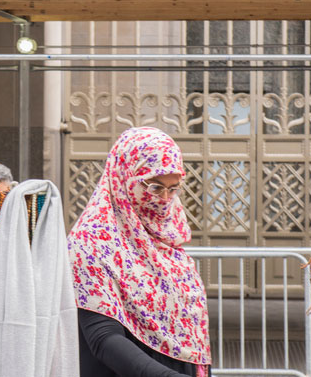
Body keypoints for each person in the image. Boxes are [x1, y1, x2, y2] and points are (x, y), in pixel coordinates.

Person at [67, 127, 212, 377]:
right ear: (124, 178)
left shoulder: (167, 238)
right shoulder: (92, 241)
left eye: (173, 188)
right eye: (155, 187)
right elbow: (104, 338)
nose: (165, 199)